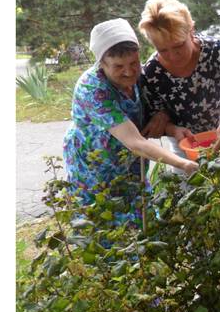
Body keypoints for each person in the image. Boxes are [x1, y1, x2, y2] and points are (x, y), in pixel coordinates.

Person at [62, 18, 199, 225]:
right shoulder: (93, 89)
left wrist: (172, 129)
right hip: (94, 171)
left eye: (134, 63)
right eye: (118, 66)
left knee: (145, 225)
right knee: (103, 233)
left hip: (131, 167)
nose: (129, 72)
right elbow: (134, 141)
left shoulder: (139, 76)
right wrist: (182, 163)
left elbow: (148, 120)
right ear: (101, 63)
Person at [136, 0, 220, 159]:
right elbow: (158, 117)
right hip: (187, 150)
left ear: (191, 30)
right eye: (163, 50)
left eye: (179, 46)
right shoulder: (152, 72)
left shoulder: (219, 52)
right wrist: (173, 130)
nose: (173, 56)